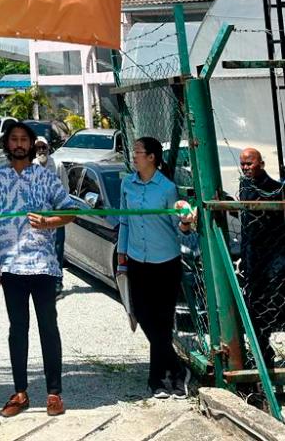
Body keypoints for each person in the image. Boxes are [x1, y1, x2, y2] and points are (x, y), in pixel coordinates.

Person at [0, 121, 75, 418]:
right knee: (17, 329)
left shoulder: (46, 177)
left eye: (24, 139)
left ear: (32, 144)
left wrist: (49, 223)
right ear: (7, 145)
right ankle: (20, 392)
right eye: (14, 139)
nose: (19, 144)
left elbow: (70, 211)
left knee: (49, 327)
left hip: (44, 265)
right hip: (11, 266)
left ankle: (53, 393)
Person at [118, 136, 190, 400]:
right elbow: (124, 222)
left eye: (137, 152)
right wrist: (121, 258)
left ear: (151, 158)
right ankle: (177, 368)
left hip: (166, 263)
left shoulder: (167, 188)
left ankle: (158, 379)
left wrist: (185, 223)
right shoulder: (128, 184)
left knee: (162, 320)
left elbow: (178, 227)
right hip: (137, 261)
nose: (133, 156)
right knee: (145, 318)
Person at [238, 147, 285, 369]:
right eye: (243, 164)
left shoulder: (275, 189)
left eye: (250, 164)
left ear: (262, 164)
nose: (246, 168)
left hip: (274, 259)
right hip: (253, 259)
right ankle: (263, 356)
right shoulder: (245, 185)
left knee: (274, 304)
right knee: (255, 307)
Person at [33, 136, 68, 298]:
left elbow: (65, 189)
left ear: (48, 148)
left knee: (57, 249)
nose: (41, 150)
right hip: (38, 215)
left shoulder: (58, 165)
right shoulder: (31, 166)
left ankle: (57, 282)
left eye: (43, 147)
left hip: (56, 214)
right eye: (38, 148)